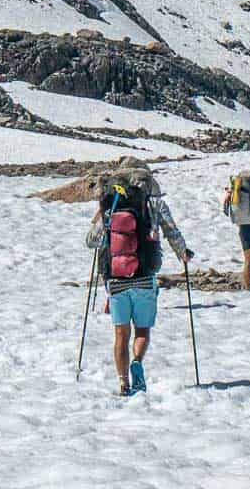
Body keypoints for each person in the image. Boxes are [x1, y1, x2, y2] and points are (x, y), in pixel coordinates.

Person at [84, 166, 191, 397]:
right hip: (144, 278)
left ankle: (123, 383)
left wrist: (101, 216)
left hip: (116, 280)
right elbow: (172, 232)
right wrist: (183, 253)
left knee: (120, 334)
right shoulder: (155, 205)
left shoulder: (112, 207)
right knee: (141, 331)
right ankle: (137, 362)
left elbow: (91, 241)